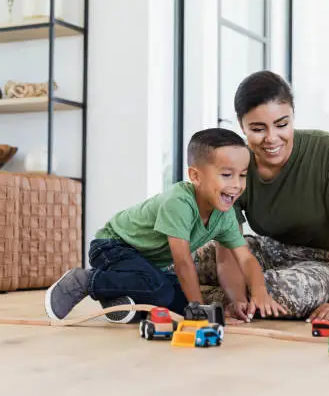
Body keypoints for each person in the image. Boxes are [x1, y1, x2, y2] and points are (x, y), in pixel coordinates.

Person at [44, 128, 288, 323]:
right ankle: (86, 280)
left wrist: (259, 293)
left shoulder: (225, 213)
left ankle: (119, 296)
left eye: (242, 175)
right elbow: (182, 262)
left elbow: (245, 258)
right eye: (226, 175)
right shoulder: (179, 202)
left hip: (146, 264)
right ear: (195, 176)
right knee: (163, 292)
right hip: (112, 246)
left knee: (177, 300)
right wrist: (198, 313)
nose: (236, 185)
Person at [195, 70, 329, 324]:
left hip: (323, 262)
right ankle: (188, 289)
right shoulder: (236, 164)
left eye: (282, 124)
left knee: (277, 292)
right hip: (266, 251)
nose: (271, 139)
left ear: (293, 115)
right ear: (241, 124)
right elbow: (228, 250)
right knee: (183, 256)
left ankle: (187, 293)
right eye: (258, 128)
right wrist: (235, 300)